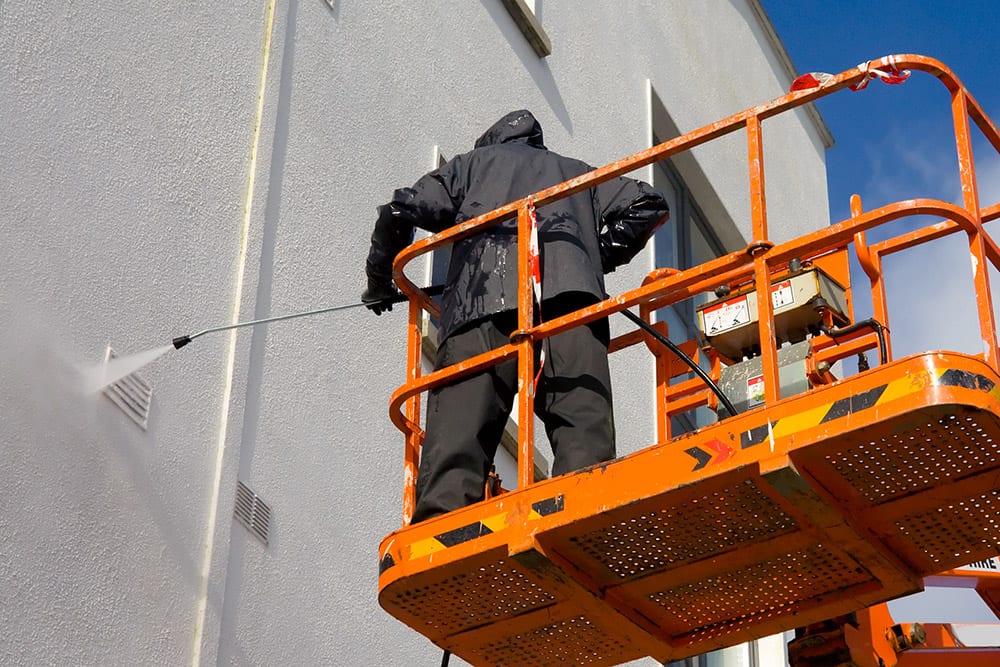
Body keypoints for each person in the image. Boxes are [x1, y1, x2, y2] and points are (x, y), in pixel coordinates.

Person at [363, 110, 669, 523]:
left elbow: (399, 213)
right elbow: (649, 204)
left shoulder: (473, 165)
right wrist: (588, 258)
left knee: (459, 431)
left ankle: (442, 526)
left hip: (480, 303)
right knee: (582, 426)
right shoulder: (577, 174)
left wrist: (380, 281)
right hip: (570, 301)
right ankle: (582, 510)